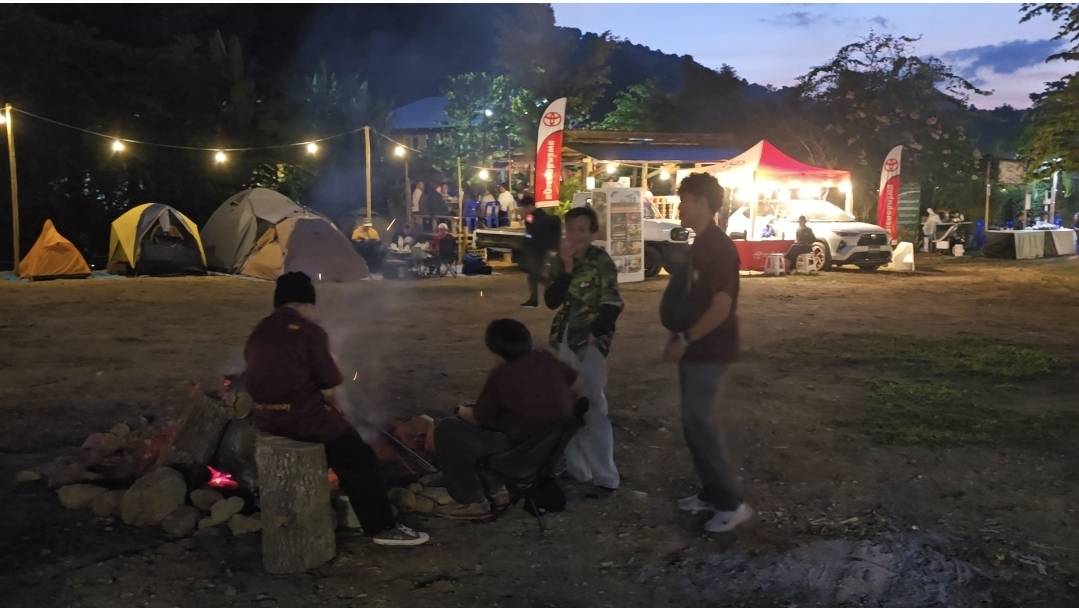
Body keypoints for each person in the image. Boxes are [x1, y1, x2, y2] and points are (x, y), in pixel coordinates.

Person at [244, 272, 429, 546]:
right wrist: (335, 409)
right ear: (307, 303)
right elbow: (329, 384)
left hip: (263, 417)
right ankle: (382, 528)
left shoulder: (260, 330)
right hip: (301, 419)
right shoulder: (311, 332)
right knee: (359, 457)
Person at [660, 173, 753, 534]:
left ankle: (731, 504)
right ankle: (711, 493)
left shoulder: (718, 247)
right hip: (696, 347)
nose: (679, 207)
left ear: (701, 202)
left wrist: (685, 338)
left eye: (684, 200)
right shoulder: (701, 244)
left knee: (701, 424)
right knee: (692, 422)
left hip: (709, 348)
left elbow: (721, 306)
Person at [432, 319, 579, 518]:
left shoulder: (502, 375)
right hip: (544, 446)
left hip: (516, 453)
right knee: (479, 422)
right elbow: (572, 379)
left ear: (495, 347)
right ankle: (495, 489)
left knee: (448, 428)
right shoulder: (545, 358)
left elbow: (478, 418)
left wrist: (460, 410)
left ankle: (472, 501)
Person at [545, 206, 623, 490]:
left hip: (588, 342)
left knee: (591, 407)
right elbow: (551, 301)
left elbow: (612, 303)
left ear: (592, 233)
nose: (575, 235)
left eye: (581, 230)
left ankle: (606, 477)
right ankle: (578, 470)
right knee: (565, 405)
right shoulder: (560, 260)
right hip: (561, 339)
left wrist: (595, 334)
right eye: (571, 229)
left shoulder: (600, 261)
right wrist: (566, 269)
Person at [519, 195, 561, 308]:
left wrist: (526, 242)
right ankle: (535, 299)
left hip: (540, 251)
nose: (523, 210)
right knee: (534, 276)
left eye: (523, 207)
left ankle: (552, 296)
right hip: (540, 250)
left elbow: (532, 233)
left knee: (539, 276)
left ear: (529, 206)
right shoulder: (536, 216)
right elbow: (529, 231)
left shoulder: (537, 218)